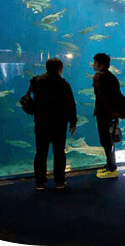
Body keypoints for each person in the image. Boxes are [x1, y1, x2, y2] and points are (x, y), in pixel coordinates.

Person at [29, 57, 77, 190]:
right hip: (59, 124)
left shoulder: (37, 82)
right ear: (60, 69)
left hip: (41, 123)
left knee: (40, 153)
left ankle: (40, 182)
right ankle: (60, 181)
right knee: (59, 153)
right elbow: (70, 104)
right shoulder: (63, 83)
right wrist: (73, 122)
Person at [92, 53, 121, 179]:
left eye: (95, 63)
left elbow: (102, 97)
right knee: (110, 140)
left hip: (104, 114)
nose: (93, 65)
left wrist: (101, 110)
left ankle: (112, 169)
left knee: (106, 141)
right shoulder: (112, 77)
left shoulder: (99, 77)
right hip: (112, 113)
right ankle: (110, 165)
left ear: (101, 64)